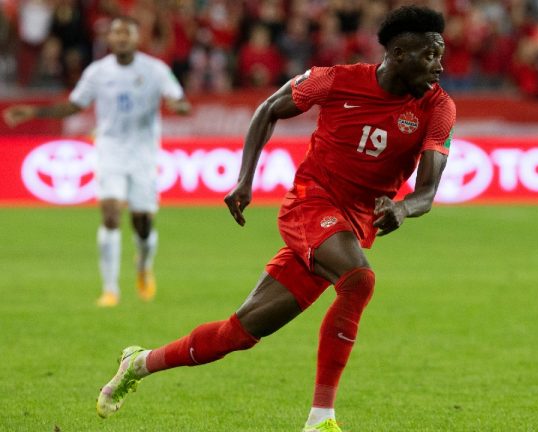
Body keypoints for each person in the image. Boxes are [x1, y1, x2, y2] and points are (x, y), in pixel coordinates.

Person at [94, 6, 455, 432]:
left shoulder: (439, 107)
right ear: (397, 52)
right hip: (311, 205)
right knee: (359, 280)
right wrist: (244, 181)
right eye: (429, 54)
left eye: (441, 54)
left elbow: (428, 191)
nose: (440, 64)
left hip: (350, 227)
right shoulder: (335, 78)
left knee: (237, 334)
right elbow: (268, 109)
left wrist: (403, 207)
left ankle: (139, 363)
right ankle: (321, 419)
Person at [3, 16, 191, 307]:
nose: (121, 38)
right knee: (111, 213)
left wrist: (178, 106)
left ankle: (143, 266)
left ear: (135, 38)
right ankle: (110, 289)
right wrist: (32, 112)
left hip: (144, 153)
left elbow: (178, 98)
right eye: (116, 33)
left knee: (142, 223)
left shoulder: (155, 70)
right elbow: (73, 105)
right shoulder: (98, 72)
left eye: (126, 33)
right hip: (110, 149)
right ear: (110, 39)